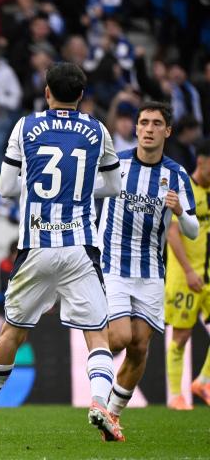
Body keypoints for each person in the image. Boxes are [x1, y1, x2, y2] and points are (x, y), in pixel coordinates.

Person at [0, 62, 124, 441]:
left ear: (46, 91)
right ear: (81, 96)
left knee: (12, 333)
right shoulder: (98, 130)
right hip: (81, 246)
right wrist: (80, 189)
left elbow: (5, 188)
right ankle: (101, 404)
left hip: (36, 244)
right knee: (96, 335)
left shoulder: (26, 126)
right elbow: (113, 187)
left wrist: (35, 187)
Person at [99, 102, 199, 424]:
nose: (149, 129)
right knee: (119, 337)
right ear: (137, 128)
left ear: (167, 131)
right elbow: (87, 194)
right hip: (113, 264)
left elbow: (193, 231)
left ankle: (111, 416)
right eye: (144, 122)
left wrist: (181, 212)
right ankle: (98, 392)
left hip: (152, 271)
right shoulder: (116, 164)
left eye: (157, 123)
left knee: (140, 347)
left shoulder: (177, 175)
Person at [164, 139, 210, 410]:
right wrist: (190, 271)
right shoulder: (184, 190)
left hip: (208, 274)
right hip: (184, 275)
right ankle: (175, 397)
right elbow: (173, 233)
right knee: (181, 337)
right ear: (201, 161)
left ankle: (203, 381)